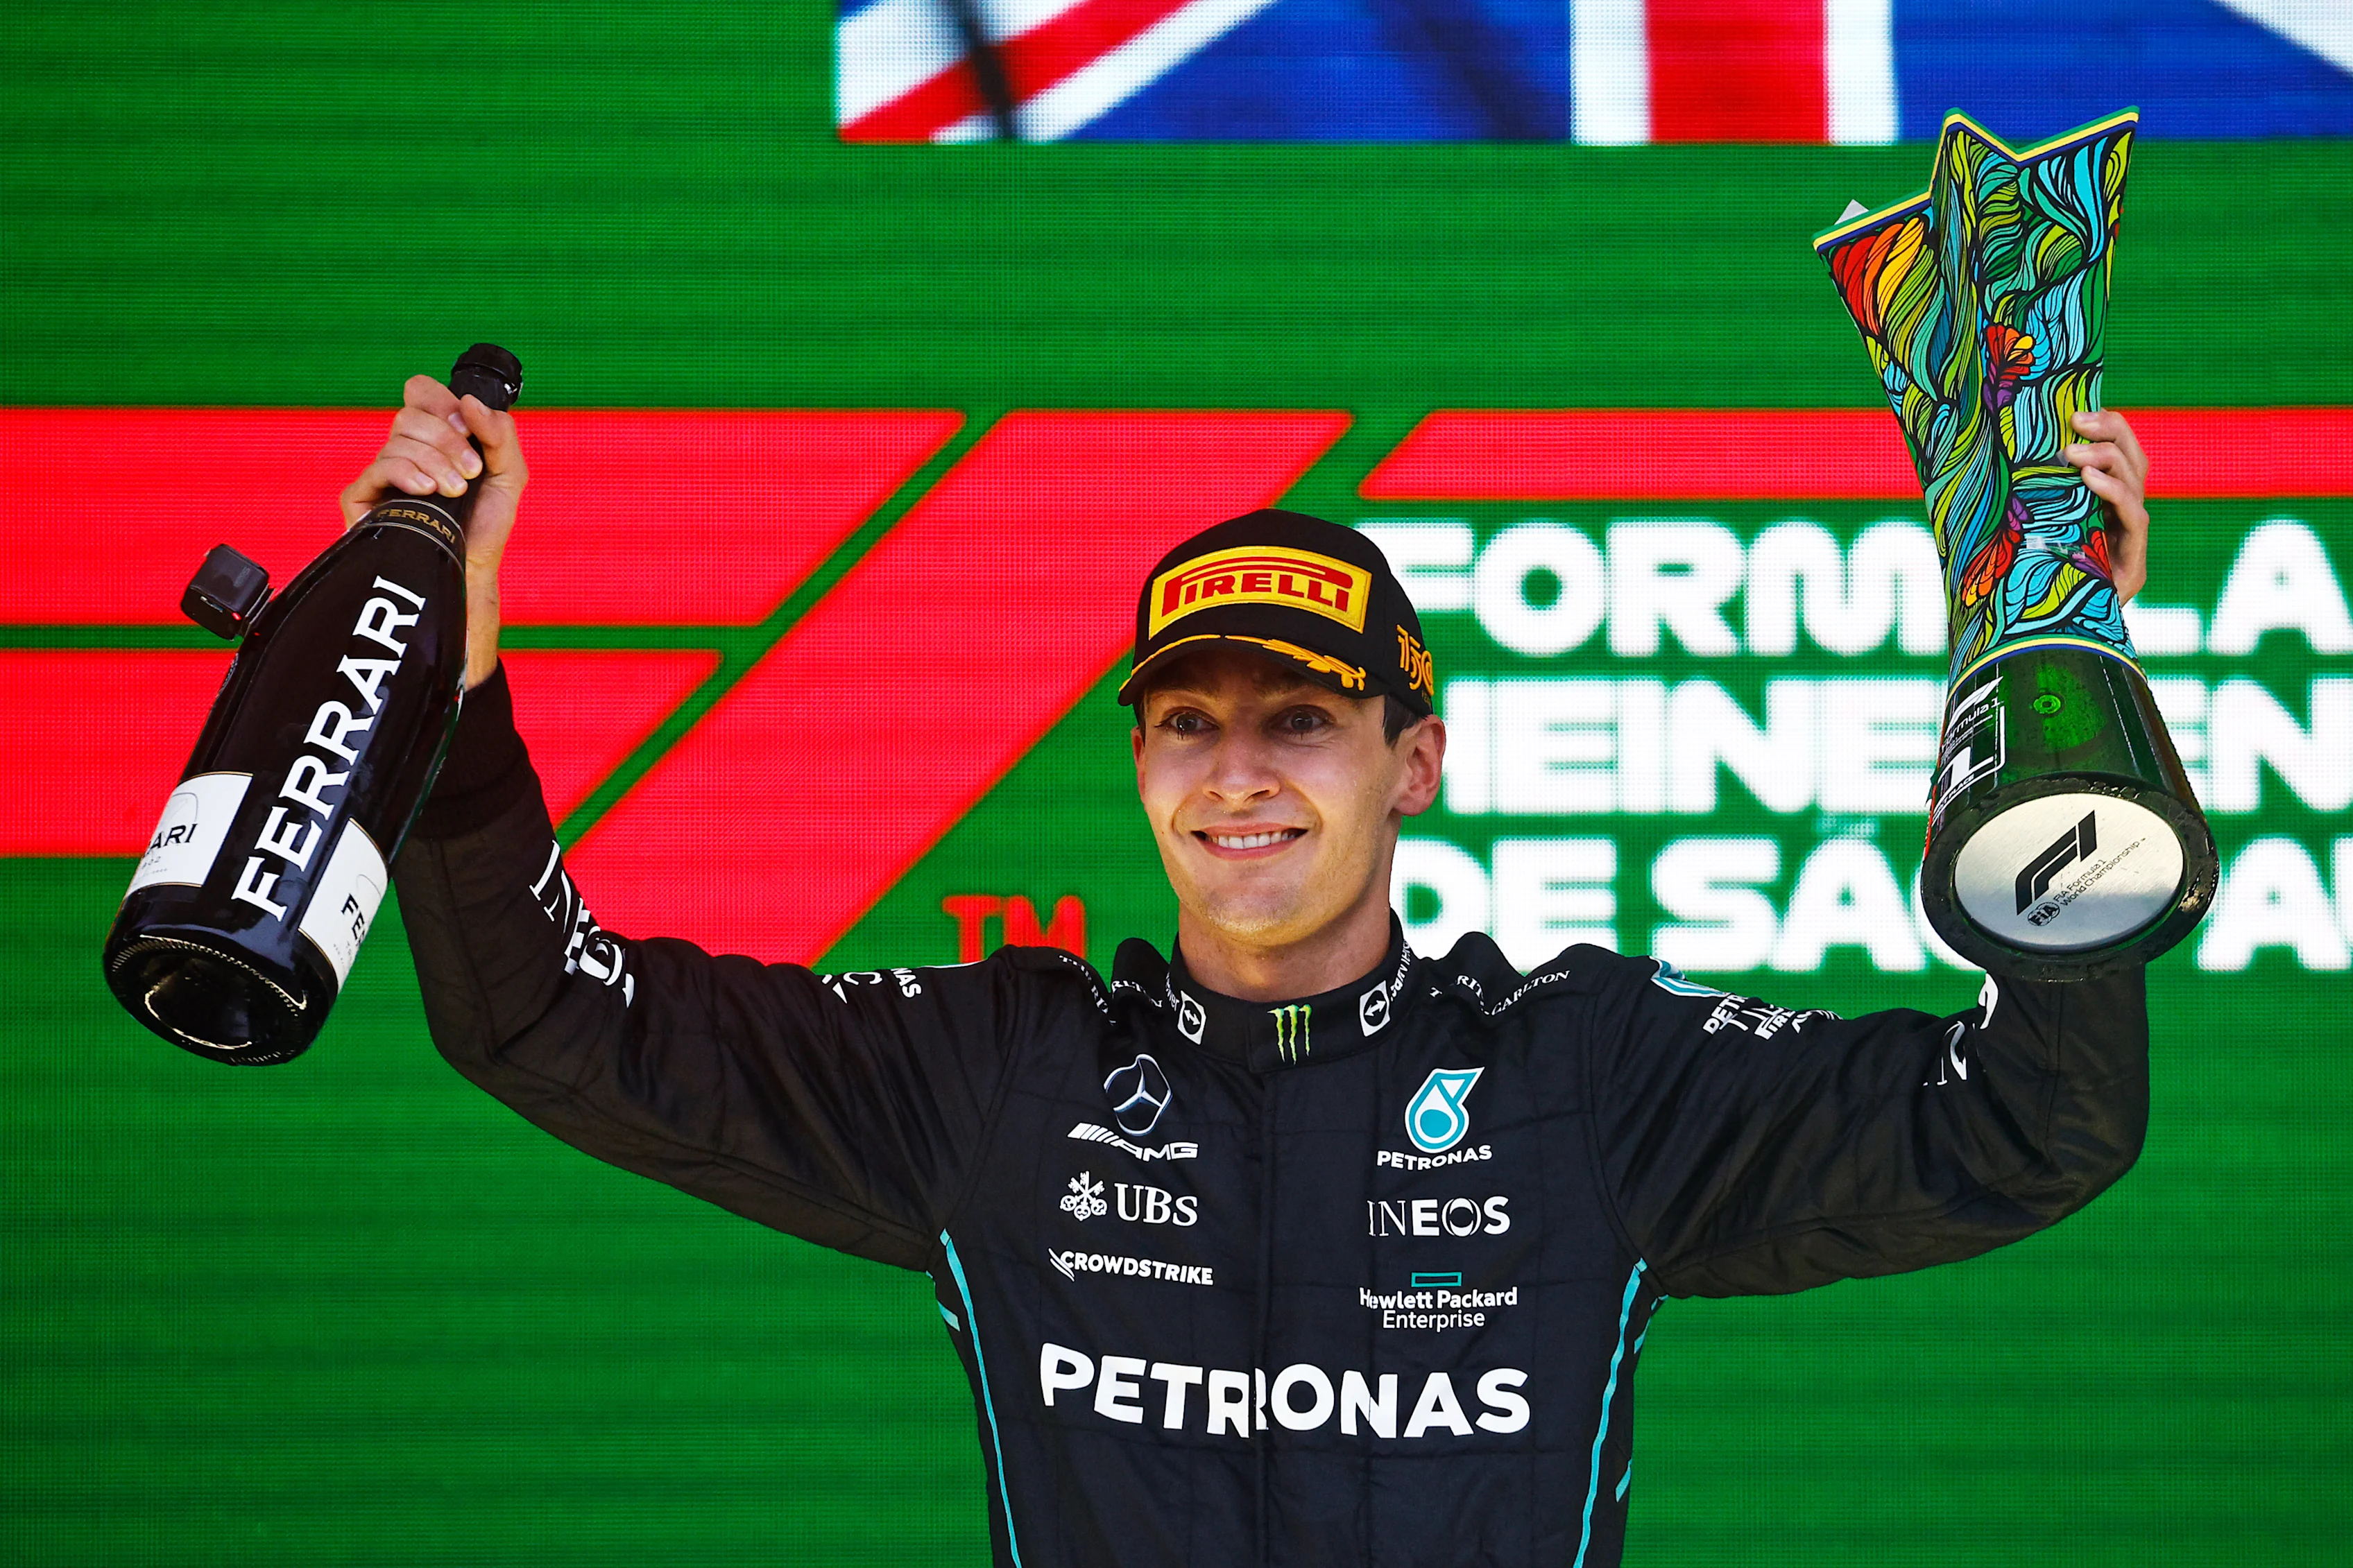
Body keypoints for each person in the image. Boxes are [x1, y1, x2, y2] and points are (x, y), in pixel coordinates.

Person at [357, 377, 2156, 1568]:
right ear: (1136, 762)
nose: (1237, 774)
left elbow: (2018, 1127)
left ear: (1415, 761)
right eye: (1187, 724)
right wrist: (445, 647)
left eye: (1302, 720)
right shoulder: (1004, 1070)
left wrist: (2056, 665)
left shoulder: (1586, 1073)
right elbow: (553, 1018)